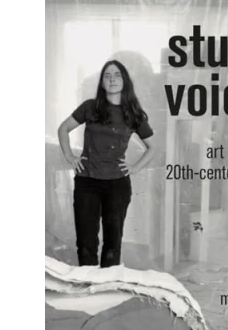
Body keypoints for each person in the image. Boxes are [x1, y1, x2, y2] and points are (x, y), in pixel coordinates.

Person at [58, 60, 157, 267]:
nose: (112, 79)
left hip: (117, 185)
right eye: (107, 76)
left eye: (117, 75)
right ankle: (88, 284)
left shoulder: (133, 113)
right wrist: (70, 156)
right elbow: (63, 129)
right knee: (86, 243)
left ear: (125, 81)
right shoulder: (90, 107)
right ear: (102, 82)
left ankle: (107, 284)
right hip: (87, 182)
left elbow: (153, 147)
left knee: (113, 244)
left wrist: (135, 167)